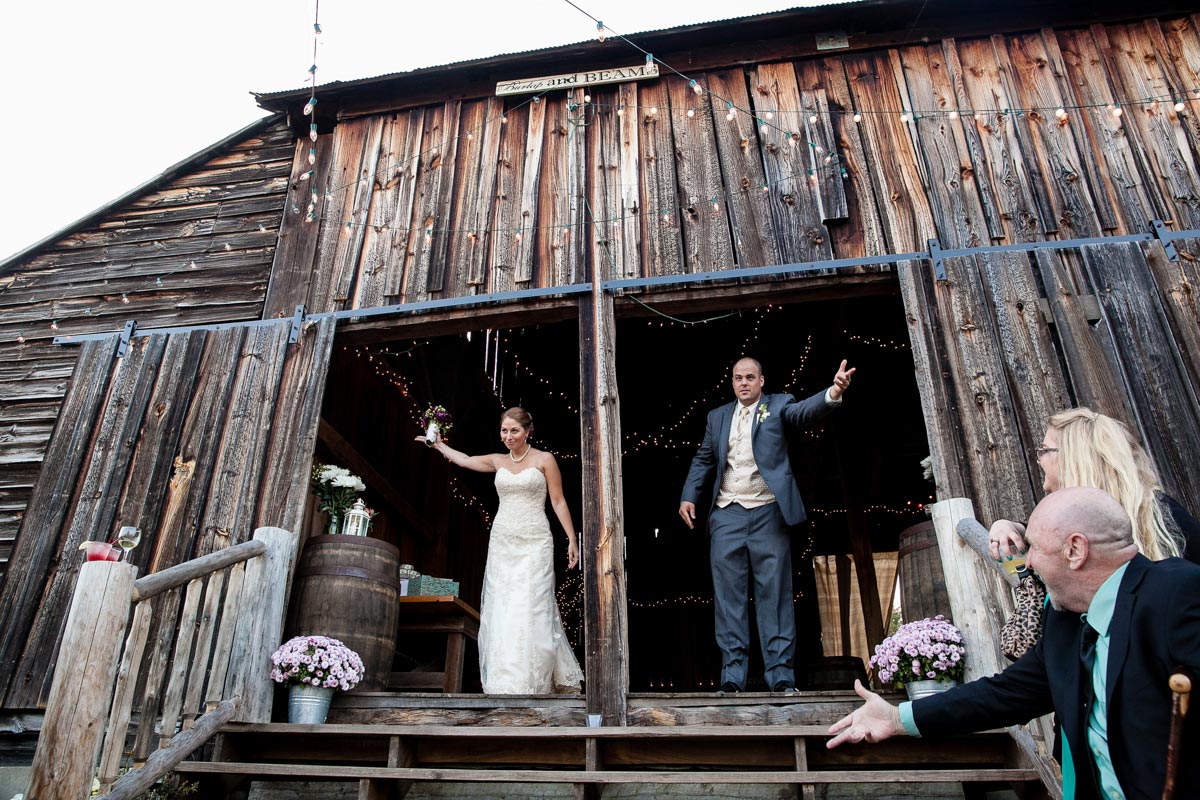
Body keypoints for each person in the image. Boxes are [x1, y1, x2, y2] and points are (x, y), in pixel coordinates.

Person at [827, 486, 1200, 800]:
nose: (1028, 564)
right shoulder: (1065, 624)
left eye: (1033, 548)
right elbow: (1003, 694)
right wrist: (898, 718)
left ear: (1075, 550)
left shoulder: (1177, 594)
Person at [679, 357, 855, 693]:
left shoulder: (779, 405)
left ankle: (780, 677)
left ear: (761, 381)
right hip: (726, 514)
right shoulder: (717, 417)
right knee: (729, 598)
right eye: (737, 378)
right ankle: (732, 678)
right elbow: (704, 458)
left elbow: (802, 413)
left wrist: (832, 392)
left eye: (749, 377)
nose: (743, 383)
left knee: (774, 594)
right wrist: (689, 495)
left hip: (768, 514)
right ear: (732, 382)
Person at [420, 407, 583, 695]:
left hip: (535, 540)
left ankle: (535, 679)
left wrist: (572, 539)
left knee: (533, 603)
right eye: (504, 430)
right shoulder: (498, 461)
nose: (508, 436)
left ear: (528, 431)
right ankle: (507, 680)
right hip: (504, 541)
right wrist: (438, 444)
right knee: (505, 605)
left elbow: (558, 501)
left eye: (514, 431)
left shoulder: (545, 459)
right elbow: (466, 460)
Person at [989, 407, 1200, 565]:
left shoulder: (1161, 514)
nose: (1039, 460)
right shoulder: (1070, 519)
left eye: (1044, 450)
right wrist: (1010, 526)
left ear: (1074, 458)